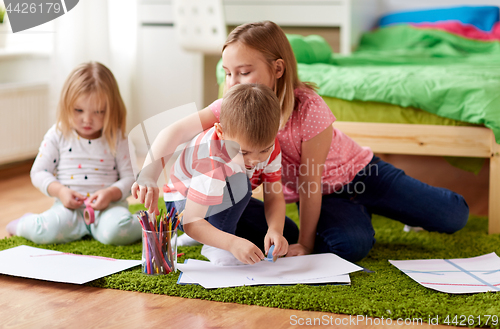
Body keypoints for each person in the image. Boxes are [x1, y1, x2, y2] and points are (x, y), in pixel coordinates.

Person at [133, 21, 469, 263]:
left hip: (361, 174)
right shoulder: (233, 107)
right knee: (349, 246)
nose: (233, 83)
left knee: (453, 216)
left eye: (244, 72)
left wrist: (307, 245)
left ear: (277, 69)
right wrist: (148, 173)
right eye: (227, 73)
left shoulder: (309, 108)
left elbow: (309, 183)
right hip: (326, 195)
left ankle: (380, 206)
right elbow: (173, 132)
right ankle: (358, 214)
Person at [133, 84, 294, 265]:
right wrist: (231, 243)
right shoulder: (211, 160)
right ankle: (214, 245)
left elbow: (274, 195)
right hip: (182, 207)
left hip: (215, 199)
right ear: (220, 133)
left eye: (264, 150)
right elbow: (191, 221)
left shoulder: (270, 146)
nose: (255, 160)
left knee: (290, 233)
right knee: (240, 183)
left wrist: (275, 230)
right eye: (244, 152)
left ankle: (206, 235)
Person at [6, 62, 142, 245]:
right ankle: (23, 224)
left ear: (112, 110)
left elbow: (130, 178)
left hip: (108, 210)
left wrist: (110, 194)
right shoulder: (58, 134)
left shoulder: (117, 138)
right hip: (68, 210)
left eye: (99, 112)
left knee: (117, 232)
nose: (87, 119)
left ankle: (145, 221)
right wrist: (61, 192)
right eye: (79, 110)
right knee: (46, 231)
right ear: (66, 105)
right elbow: (38, 172)